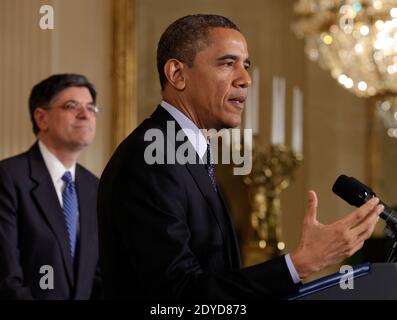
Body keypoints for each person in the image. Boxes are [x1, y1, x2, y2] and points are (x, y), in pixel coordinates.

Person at [97, 14, 383, 299]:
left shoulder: (188, 155)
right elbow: (179, 295)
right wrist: (300, 264)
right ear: (177, 74)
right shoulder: (151, 160)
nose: (245, 79)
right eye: (227, 63)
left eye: (246, 66)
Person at [0, 74, 102, 299]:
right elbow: (6, 278)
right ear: (41, 118)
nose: (85, 114)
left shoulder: (94, 187)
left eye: (91, 108)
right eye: (72, 106)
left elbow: (98, 276)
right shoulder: (8, 178)